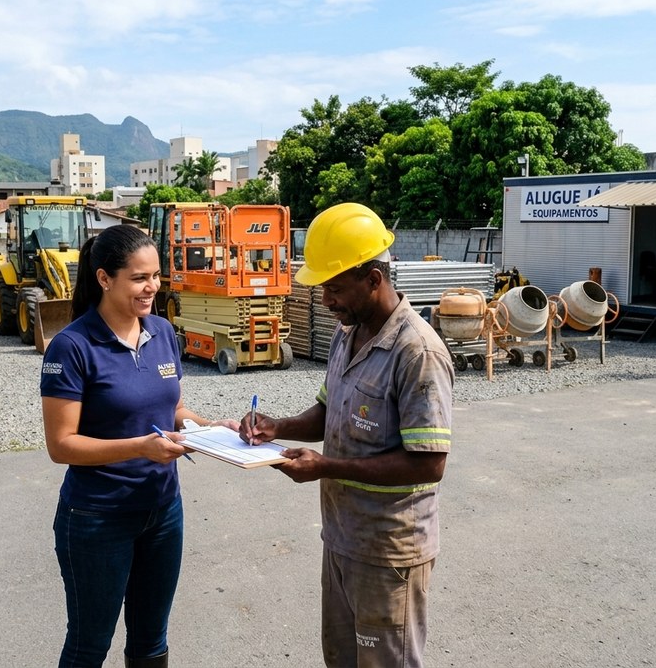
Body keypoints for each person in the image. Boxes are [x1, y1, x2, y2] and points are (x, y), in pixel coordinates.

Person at [240, 202, 455, 668]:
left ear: (373, 280)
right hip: (341, 538)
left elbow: (429, 462)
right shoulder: (347, 333)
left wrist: (326, 467)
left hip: (388, 551)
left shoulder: (416, 351)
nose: (326, 301)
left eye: (334, 288)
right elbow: (326, 412)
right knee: (340, 659)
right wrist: (276, 427)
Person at [40, 224, 238, 668]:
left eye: (155, 276)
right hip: (97, 518)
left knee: (151, 641)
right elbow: (61, 445)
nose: (152, 287)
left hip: (163, 511)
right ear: (104, 278)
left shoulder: (163, 332)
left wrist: (215, 428)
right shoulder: (72, 346)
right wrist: (140, 448)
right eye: (139, 278)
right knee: (89, 644)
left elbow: (175, 411)